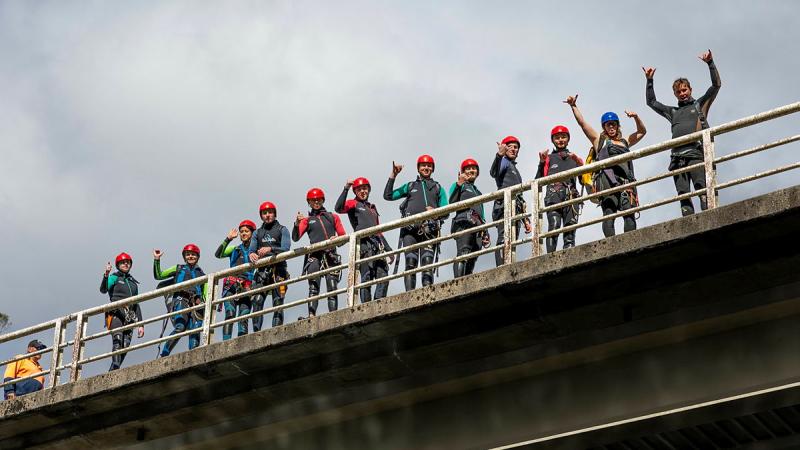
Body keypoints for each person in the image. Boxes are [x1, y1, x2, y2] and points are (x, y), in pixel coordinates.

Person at [643, 49, 721, 216]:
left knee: (702, 188)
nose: (682, 93)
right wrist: (650, 81)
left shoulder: (699, 105)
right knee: (683, 194)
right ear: (675, 94)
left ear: (690, 89)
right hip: (677, 159)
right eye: (679, 92)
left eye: (684, 90)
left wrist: (710, 63)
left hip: (696, 154)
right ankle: (688, 224)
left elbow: (716, 86)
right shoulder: (673, 112)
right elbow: (651, 102)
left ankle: (709, 219)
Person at [565, 94, 647, 237]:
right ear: (604, 127)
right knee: (609, 214)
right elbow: (583, 124)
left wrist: (636, 117)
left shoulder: (625, 141)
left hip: (626, 183)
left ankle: (631, 243)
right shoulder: (599, 141)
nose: (611, 127)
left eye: (613, 124)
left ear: (617, 125)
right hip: (607, 183)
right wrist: (573, 106)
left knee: (629, 214)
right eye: (608, 125)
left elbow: (642, 132)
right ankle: (612, 244)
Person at [383, 155, 448, 291]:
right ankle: (409, 295)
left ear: (433, 169)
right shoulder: (410, 186)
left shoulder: (438, 188)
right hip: (410, 231)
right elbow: (388, 196)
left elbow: (446, 211)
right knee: (410, 263)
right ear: (418, 168)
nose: (426, 168)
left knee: (427, 263)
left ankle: (428, 294)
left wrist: (435, 211)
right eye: (423, 165)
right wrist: (393, 175)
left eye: (429, 166)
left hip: (429, 230)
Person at [335, 177, 394, 302]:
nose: (363, 191)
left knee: (383, 276)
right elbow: (338, 208)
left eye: (365, 188)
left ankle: (379, 303)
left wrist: (389, 250)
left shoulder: (372, 208)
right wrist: (346, 188)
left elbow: (378, 230)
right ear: (355, 192)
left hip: (377, 245)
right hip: (363, 245)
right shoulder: (353, 203)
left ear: (369, 190)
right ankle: (366, 306)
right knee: (366, 277)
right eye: (359, 189)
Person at [293, 188, 346, 317]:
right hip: (315, 256)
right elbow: (295, 237)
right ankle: (311, 315)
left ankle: (333, 315)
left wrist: (337, 239)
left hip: (331, 254)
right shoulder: (307, 220)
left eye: (318, 199)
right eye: (313, 200)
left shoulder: (332, 217)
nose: (316, 202)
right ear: (309, 202)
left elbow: (343, 236)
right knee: (313, 287)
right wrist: (296, 224)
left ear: (323, 200)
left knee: (332, 287)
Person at [536, 126, 585, 252]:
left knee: (570, 228)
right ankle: (549, 257)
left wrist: (580, 163)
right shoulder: (548, 158)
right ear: (553, 140)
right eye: (557, 138)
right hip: (554, 195)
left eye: (563, 137)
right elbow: (538, 181)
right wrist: (541, 162)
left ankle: (569, 254)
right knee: (554, 225)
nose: (560, 140)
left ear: (568, 139)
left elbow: (584, 180)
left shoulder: (574, 158)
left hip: (571, 195)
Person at [154, 244, 207, 357]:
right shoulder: (178, 268)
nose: (190, 256)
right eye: (188, 254)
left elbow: (206, 294)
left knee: (196, 329)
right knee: (180, 327)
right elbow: (159, 275)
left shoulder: (202, 274)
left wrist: (204, 304)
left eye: (193, 254)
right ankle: (164, 354)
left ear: (197, 256)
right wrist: (157, 260)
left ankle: (193, 356)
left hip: (196, 304)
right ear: (184, 257)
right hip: (180, 300)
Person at [490, 136, 532, 266]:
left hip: (516, 208)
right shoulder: (504, 161)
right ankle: (501, 267)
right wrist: (498, 155)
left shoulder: (515, 170)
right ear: (504, 147)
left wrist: (525, 219)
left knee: (513, 238)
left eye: (516, 147)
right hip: (504, 205)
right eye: (510, 146)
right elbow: (494, 173)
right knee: (504, 237)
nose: (513, 149)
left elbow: (520, 196)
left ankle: (508, 264)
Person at [249, 201, 291, 327]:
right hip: (262, 271)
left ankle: (276, 331)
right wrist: (252, 254)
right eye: (264, 213)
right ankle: (256, 334)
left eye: (270, 212)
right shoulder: (257, 233)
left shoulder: (282, 229)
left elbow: (286, 248)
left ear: (275, 214)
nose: (267, 215)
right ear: (261, 215)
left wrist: (270, 249)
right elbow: (251, 250)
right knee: (257, 301)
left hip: (279, 270)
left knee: (278, 302)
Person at [100, 252, 144, 371]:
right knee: (118, 340)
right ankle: (115, 366)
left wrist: (141, 324)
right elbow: (103, 290)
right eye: (123, 262)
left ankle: (113, 371)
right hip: (116, 314)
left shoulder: (133, 283)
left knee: (125, 347)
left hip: (129, 317)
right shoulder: (114, 277)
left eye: (127, 262)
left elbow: (136, 303)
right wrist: (106, 274)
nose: (125, 264)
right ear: (118, 265)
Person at [214, 220, 256, 340]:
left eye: (246, 231)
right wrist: (228, 239)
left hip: (247, 285)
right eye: (241, 231)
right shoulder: (235, 249)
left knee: (243, 316)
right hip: (231, 285)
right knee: (230, 314)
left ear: (252, 233)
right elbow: (218, 254)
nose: (243, 233)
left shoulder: (256, 249)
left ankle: (242, 343)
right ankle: (225, 344)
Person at [449, 158, 490, 278]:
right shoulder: (459, 185)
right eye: (468, 168)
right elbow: (451, 202)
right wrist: (459, 184)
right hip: (464, 222)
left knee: (472, 258)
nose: (471, 170)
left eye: (474, 168)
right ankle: (458, 283)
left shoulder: (478, 192)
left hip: (478, 226)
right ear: (463, 171)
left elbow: (481, 213)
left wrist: (486, 231)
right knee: (464, 252)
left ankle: (467, 282)